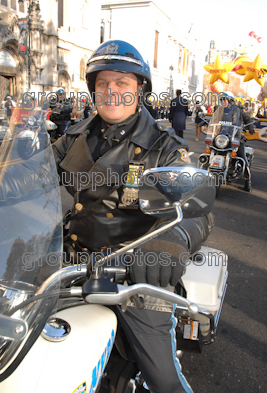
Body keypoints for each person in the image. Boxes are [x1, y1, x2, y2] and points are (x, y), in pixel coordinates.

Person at [52, 39, 213, 393]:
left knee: (163, 379)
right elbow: (33, 175)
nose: (111, 91)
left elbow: (197, 206)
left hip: (136, 273)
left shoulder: (164, 146)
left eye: (122, 83)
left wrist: (173, 239)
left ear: (139, 90)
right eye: (102, 83)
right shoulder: (74, 136)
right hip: (68, 264)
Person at [223, 92, 254, 192]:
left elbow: (247, 118)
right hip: (223, 136)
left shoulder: (238, 110)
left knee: (242, 156)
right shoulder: (220, 109)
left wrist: (250, 126)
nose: (222, 101)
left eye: (224, 99)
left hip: (236, 136)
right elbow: (215, 119)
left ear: (230, 100)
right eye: (221, 99)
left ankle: (247, 180)